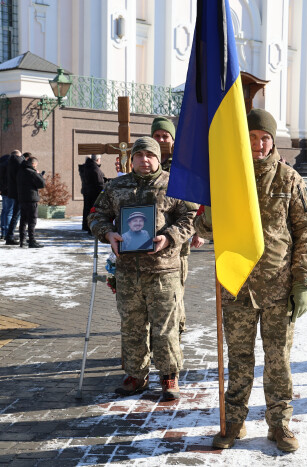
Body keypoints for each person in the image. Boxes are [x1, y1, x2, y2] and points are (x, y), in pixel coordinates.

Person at [195, 109, 307, 453]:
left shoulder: (290, 179)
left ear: (272, 140)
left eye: (265, 138)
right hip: (238, 285)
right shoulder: (227, 178)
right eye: (252, 138)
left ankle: (279, 424)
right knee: (239, 358)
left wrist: (302, 281)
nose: (259, 144)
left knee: (278, 358)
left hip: (279, 286)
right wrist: (208, 210)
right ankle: (233, 421)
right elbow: (204, 230)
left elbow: (306, 230)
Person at [88, 137, 196, 402]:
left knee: (165, 327)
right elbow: (95, 215)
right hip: (127, 271)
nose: (144, 160)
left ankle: (169, 375)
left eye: (150, 155)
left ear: (158, 158)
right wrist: (108, 233)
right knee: (132, 326)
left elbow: (191, 217)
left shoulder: (174, 184)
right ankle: (136, 374)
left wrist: (169, 237)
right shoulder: (116, 186)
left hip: (163, 271)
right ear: (131, 159)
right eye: (139, 155)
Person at [151, 116, 205, 337]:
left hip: (178, 236)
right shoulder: (146, 160)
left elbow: (196, 198)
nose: (161, 140)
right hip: (150, 237)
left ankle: (177, 328)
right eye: (157, 136)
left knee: (175, 288)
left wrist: (198, 230)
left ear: (173, 140)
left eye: (165, 136)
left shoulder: (183, 164)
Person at [16, 156, 46, 248]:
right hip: (31, 199)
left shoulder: (20, 171)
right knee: (32, 221)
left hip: (22, 198)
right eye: (36, 165)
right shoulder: (32, 172)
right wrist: (39, 175)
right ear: (33, 164)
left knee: (23, 220)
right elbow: (42, 184)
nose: (36, 167)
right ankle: (32, 241)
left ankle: (22, 240)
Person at [5, 150, 25, 245]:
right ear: (18, 156)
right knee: (16, 215)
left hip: (13, 191)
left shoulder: (9, 162)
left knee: (14, 214)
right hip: (19, 191)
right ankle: (10, 236)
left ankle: (10, 235)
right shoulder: (18, 162)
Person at [82, 154, 105, 233]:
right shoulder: (94, 168)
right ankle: (91, 228)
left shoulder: (89, 166)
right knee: (92, 212)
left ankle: (88, 228)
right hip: (94, 194)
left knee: (88, 210)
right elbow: (99, 182)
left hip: (89, 193)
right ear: (98, 159)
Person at [0, 153, 12, 239]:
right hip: (9, 192)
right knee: (9, 212)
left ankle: (3, 231)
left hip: (3, 191)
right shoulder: (8, 167)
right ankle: (7, 232)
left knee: (4, 211)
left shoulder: (1, 167)